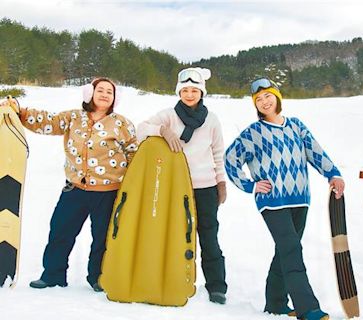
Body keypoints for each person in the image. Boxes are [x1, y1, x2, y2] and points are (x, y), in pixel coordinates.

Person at [224, 77, 344, 320]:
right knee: (292, 249)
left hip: (300, 199)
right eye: (259, 99)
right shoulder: (254, 133)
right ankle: (307, 308)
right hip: (272, 201)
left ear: (277, 97)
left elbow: (315, 151)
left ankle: (276, 303)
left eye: (268, 96)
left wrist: (333, 174)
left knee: (285, 251)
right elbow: (230, 159)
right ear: (255, 106)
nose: (264, 101)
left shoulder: (296, 126)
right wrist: (251, 185)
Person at [15, 78, 137, 291]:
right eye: (100, 90)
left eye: (110, 92)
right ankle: (53, 275)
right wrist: (20, 111)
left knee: (103, 238)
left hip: (108, 193)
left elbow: (134, 155)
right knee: (60, 232)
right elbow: (48, 122)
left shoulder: (122, 124)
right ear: (90, 93)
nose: (105, 94)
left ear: (115, 99)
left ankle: (98, 278)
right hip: (75, 190)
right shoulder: (73, 117)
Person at [136, 67, 228, 304]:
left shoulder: (212, 120)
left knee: (209, 236)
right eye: (185, 90)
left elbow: (218, 153)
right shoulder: (168, 115)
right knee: (175, 235)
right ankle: (174, 279)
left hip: (205, 187)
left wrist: (221, 182)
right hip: (175, 187)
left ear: (201, 92)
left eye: (194, 90)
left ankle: (217, 286)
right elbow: (140, 130)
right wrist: (162, 131)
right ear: (179, 92)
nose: (189, 94)